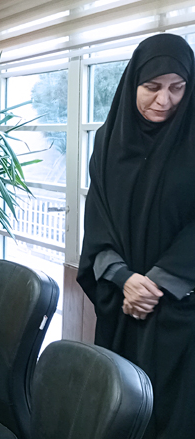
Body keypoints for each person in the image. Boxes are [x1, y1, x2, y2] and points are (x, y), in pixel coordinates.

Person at [78, 33, 195, 439]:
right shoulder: (108, 140)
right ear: (133, 83)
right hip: (121, 304)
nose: (164, 100)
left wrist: (156, 283)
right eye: (152, 86)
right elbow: (98, 218)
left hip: (178, 307)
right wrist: (126, 279)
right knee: (118, 407)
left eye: (177, 88)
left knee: (173, 414)